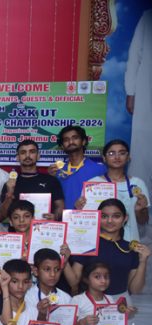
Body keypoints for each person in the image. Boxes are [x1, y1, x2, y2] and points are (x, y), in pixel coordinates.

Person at [68, 199, 150, 298]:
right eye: (104, 216)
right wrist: (64, 261)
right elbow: (74, 282)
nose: (110, 221)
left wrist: (143, 261)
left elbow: (135, 289)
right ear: (98, 218)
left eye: (116, 216)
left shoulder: (130, 249)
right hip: (90, 306)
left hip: (120, 306)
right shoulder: (88, 243)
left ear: (125, 219)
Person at [85, 139, 149, 242]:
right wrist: (80, 207)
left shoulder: (138, 183)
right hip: (101, 243)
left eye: (122, 153)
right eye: (111, 153)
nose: (117, 157)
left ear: (128, 157)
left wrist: (141, 210)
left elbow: (142, 221)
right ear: (104, 158)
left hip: (130, 242)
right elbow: (88, 219)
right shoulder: (93, 184)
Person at [0, 139, 64, 223]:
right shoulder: (10, 183)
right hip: (17, 234)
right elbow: (3, 214)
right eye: (23, 152)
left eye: (32, 152)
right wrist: (9, 194)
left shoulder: (51, 180)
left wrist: (55, 217)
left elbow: (60, 207)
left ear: (38, 156)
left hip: (44, 231)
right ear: (17, 157)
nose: (27, 155)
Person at [48, 125, 106, 210]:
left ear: (83, 141)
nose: (71, 142)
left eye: (75, 138)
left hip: (90, 220)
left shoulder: (100, 169)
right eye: (66, 140)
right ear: (62, 146)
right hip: (64, 220)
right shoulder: (56, 171)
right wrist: (50, 179)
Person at [125, 9, 152, 191]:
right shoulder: (148, 17)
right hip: (146, 92)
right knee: (143, 147)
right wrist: (131, 92)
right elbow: (135, 56)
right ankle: (140, 207)